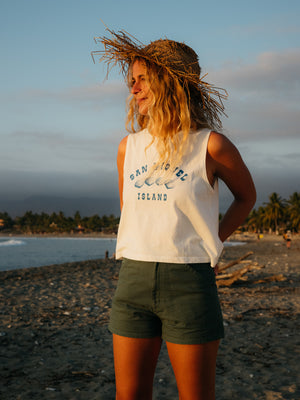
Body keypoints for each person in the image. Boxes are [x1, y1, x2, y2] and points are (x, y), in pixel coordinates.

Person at [93, 29, 256, 400]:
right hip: (132, 280)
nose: (133, 89)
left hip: (189, 283)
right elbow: (130, 213)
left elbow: (246, 197)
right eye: (131, 81)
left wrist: (213, 239)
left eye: (143, 79)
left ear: (170, 82)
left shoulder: (210, 145)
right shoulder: (128, 148)